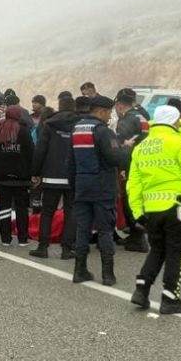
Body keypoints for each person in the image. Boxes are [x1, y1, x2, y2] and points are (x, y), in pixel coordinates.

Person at [127, 105, 181, 314]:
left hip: (151, 210)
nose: (180, 123)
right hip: (178, 209)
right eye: (178, 120)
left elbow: (133, 184)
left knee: (157, 249)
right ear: (173, 121)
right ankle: (170, 298)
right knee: (178, 251)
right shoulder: (179, 141)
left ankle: (141, 290)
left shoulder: (141, 147)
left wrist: (138, 212)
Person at [69, 95, 132, 286]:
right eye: (109, 112)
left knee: (82, 229)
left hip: (82, 185)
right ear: (101, 111)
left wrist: (74, 186)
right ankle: (108, 274)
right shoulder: (103, 131)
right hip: (102, 186)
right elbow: (114, 158)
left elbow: (70, 162)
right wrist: (125, 150)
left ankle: (79, 271)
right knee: (105, 229)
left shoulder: (76, 129)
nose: (110, 116)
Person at [30, 94, 79, 259]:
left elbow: (40, 150)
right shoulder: (80, 125)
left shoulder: (50, 124)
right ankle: (67, 249)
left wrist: (35, 172)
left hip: (51, 175)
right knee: (70, 212)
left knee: (47, 212)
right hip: (72, 176)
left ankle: (43, 247)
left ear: (59, 106)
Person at [0, 105, 35, 246]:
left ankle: (5, 239)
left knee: (4, 208)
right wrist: (34, 173)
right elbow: (31, 154)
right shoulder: (24, 132)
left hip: (2, 178)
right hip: (22, 178)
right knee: (22, 208)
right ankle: (22, 239)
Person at [114, 88, 150, 252]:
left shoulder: (126, 121)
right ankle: (136, 235)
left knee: (129, 200)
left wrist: (121, 167)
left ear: (120, 105)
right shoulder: (142, 116)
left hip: (131, 165)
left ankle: (137, 237)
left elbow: (123, 147)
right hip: (144, 162)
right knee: (139, 199)